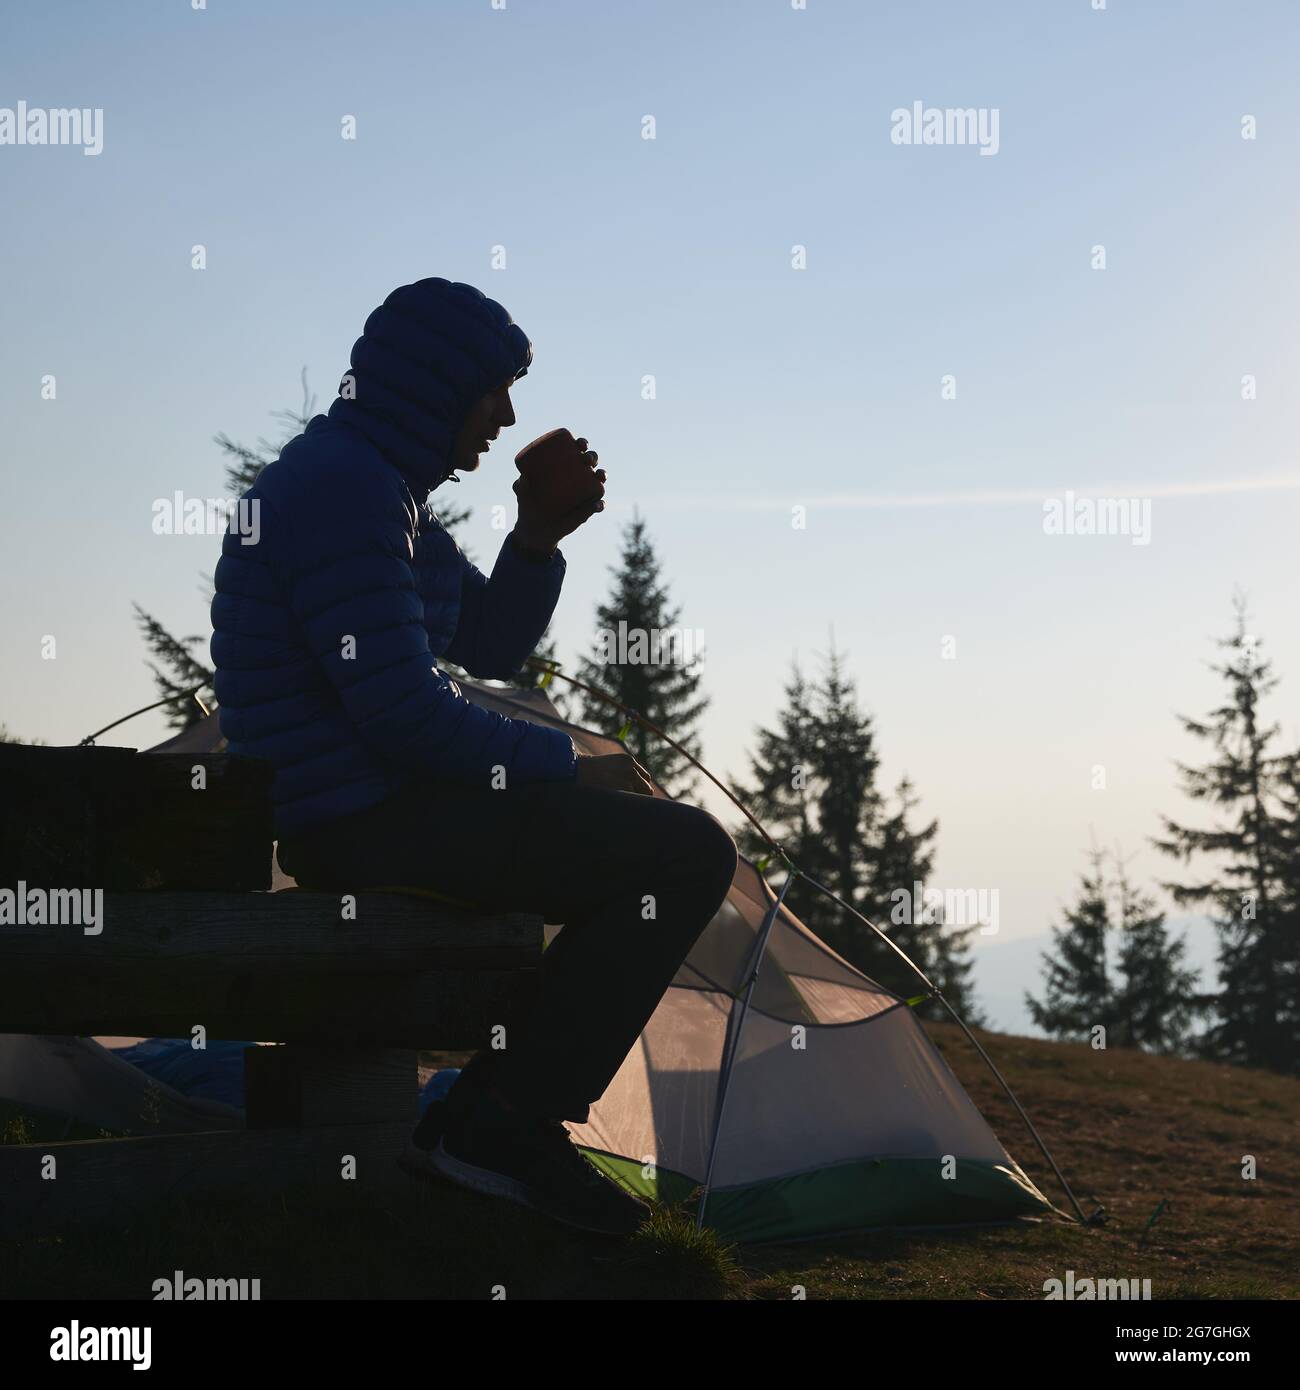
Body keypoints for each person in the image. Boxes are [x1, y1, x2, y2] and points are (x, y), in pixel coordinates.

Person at [210, 278, 737, 1235]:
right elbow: (405, 713)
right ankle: (497, 1126)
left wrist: (535, 536)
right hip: (366, 819)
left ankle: (496, 1119)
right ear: (432, 386)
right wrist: (566, 765)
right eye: (492, 389)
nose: (506, 415)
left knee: (663, 856)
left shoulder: (375, 487)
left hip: (373, 809)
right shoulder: (345, 490)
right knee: (686, 856)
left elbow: (485, 646)